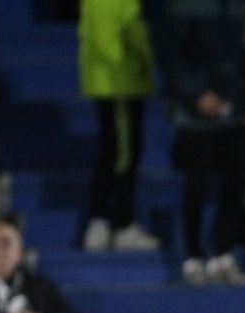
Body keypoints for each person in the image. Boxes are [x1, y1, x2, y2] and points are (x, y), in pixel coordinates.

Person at [159, 0, 245, 287]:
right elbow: (170, 53)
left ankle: (223, 255)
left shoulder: (236, 7)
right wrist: (196, 94)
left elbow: (240, 55)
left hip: (231, 111)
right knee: (196, 185)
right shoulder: (182, 6)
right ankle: (193, 257)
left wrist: (242, 101)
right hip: (195, 114)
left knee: (237, 180)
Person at [80, 0, 163, 252]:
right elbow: (111, 42)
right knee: (122, 154)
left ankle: (105, 222)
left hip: (120, 83)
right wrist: (144, 61)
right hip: (119, 83)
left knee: (119, 152)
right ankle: (117, 223)